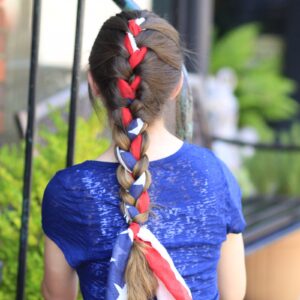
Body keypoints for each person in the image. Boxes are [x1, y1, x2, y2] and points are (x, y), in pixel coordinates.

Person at [41, 9, 247, 300]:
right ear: (176, 86)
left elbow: (56, 295)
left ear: (95, 84)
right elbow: (234, 293)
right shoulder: (214, 176)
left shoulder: (71, 191)